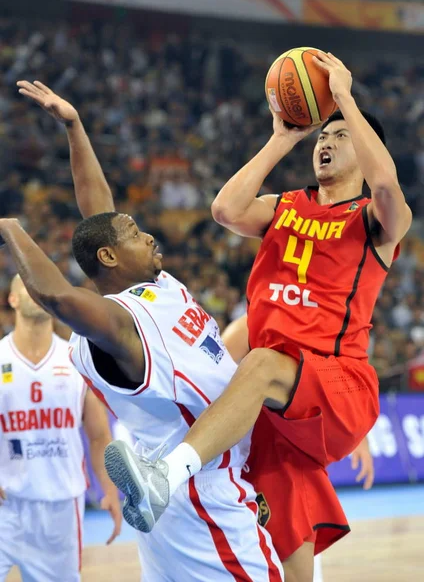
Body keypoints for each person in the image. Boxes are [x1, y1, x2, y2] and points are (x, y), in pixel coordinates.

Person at [87, 51, 411, 582]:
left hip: (335, 383)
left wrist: (346, 99)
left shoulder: (374, 220)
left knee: (257, 364)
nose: (326, 143)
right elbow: (224, 210)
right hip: (282, 400)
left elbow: (388, 190)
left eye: (340, 136)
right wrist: (284, 138)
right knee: (279, 514)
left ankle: (162, 478)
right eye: (322, 137)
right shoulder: (285, 206)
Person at [13, 80, 284, 581]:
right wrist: (9, 223)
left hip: (171, 487)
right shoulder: (118, 322)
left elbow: (99, 213)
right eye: (135, 234)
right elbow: (56, 295)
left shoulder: (155, 287)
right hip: (199, 489)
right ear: (111, 258)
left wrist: (75, 127)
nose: (149, 234)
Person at [221, 314, 375, 582]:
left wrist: (360, 436)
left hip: (293, 456)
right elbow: (215, 378)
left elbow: (339, 382)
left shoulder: (326, 322)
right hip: (266, 455)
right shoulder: (256, 323)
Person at [0, 275, 122, 582]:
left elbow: (99, 435)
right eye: (26, 287)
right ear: (12, 300)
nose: (36, 290)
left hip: (61, 508)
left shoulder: (75, 357)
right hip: (6, 506)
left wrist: (109, 489)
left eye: (40, 285)